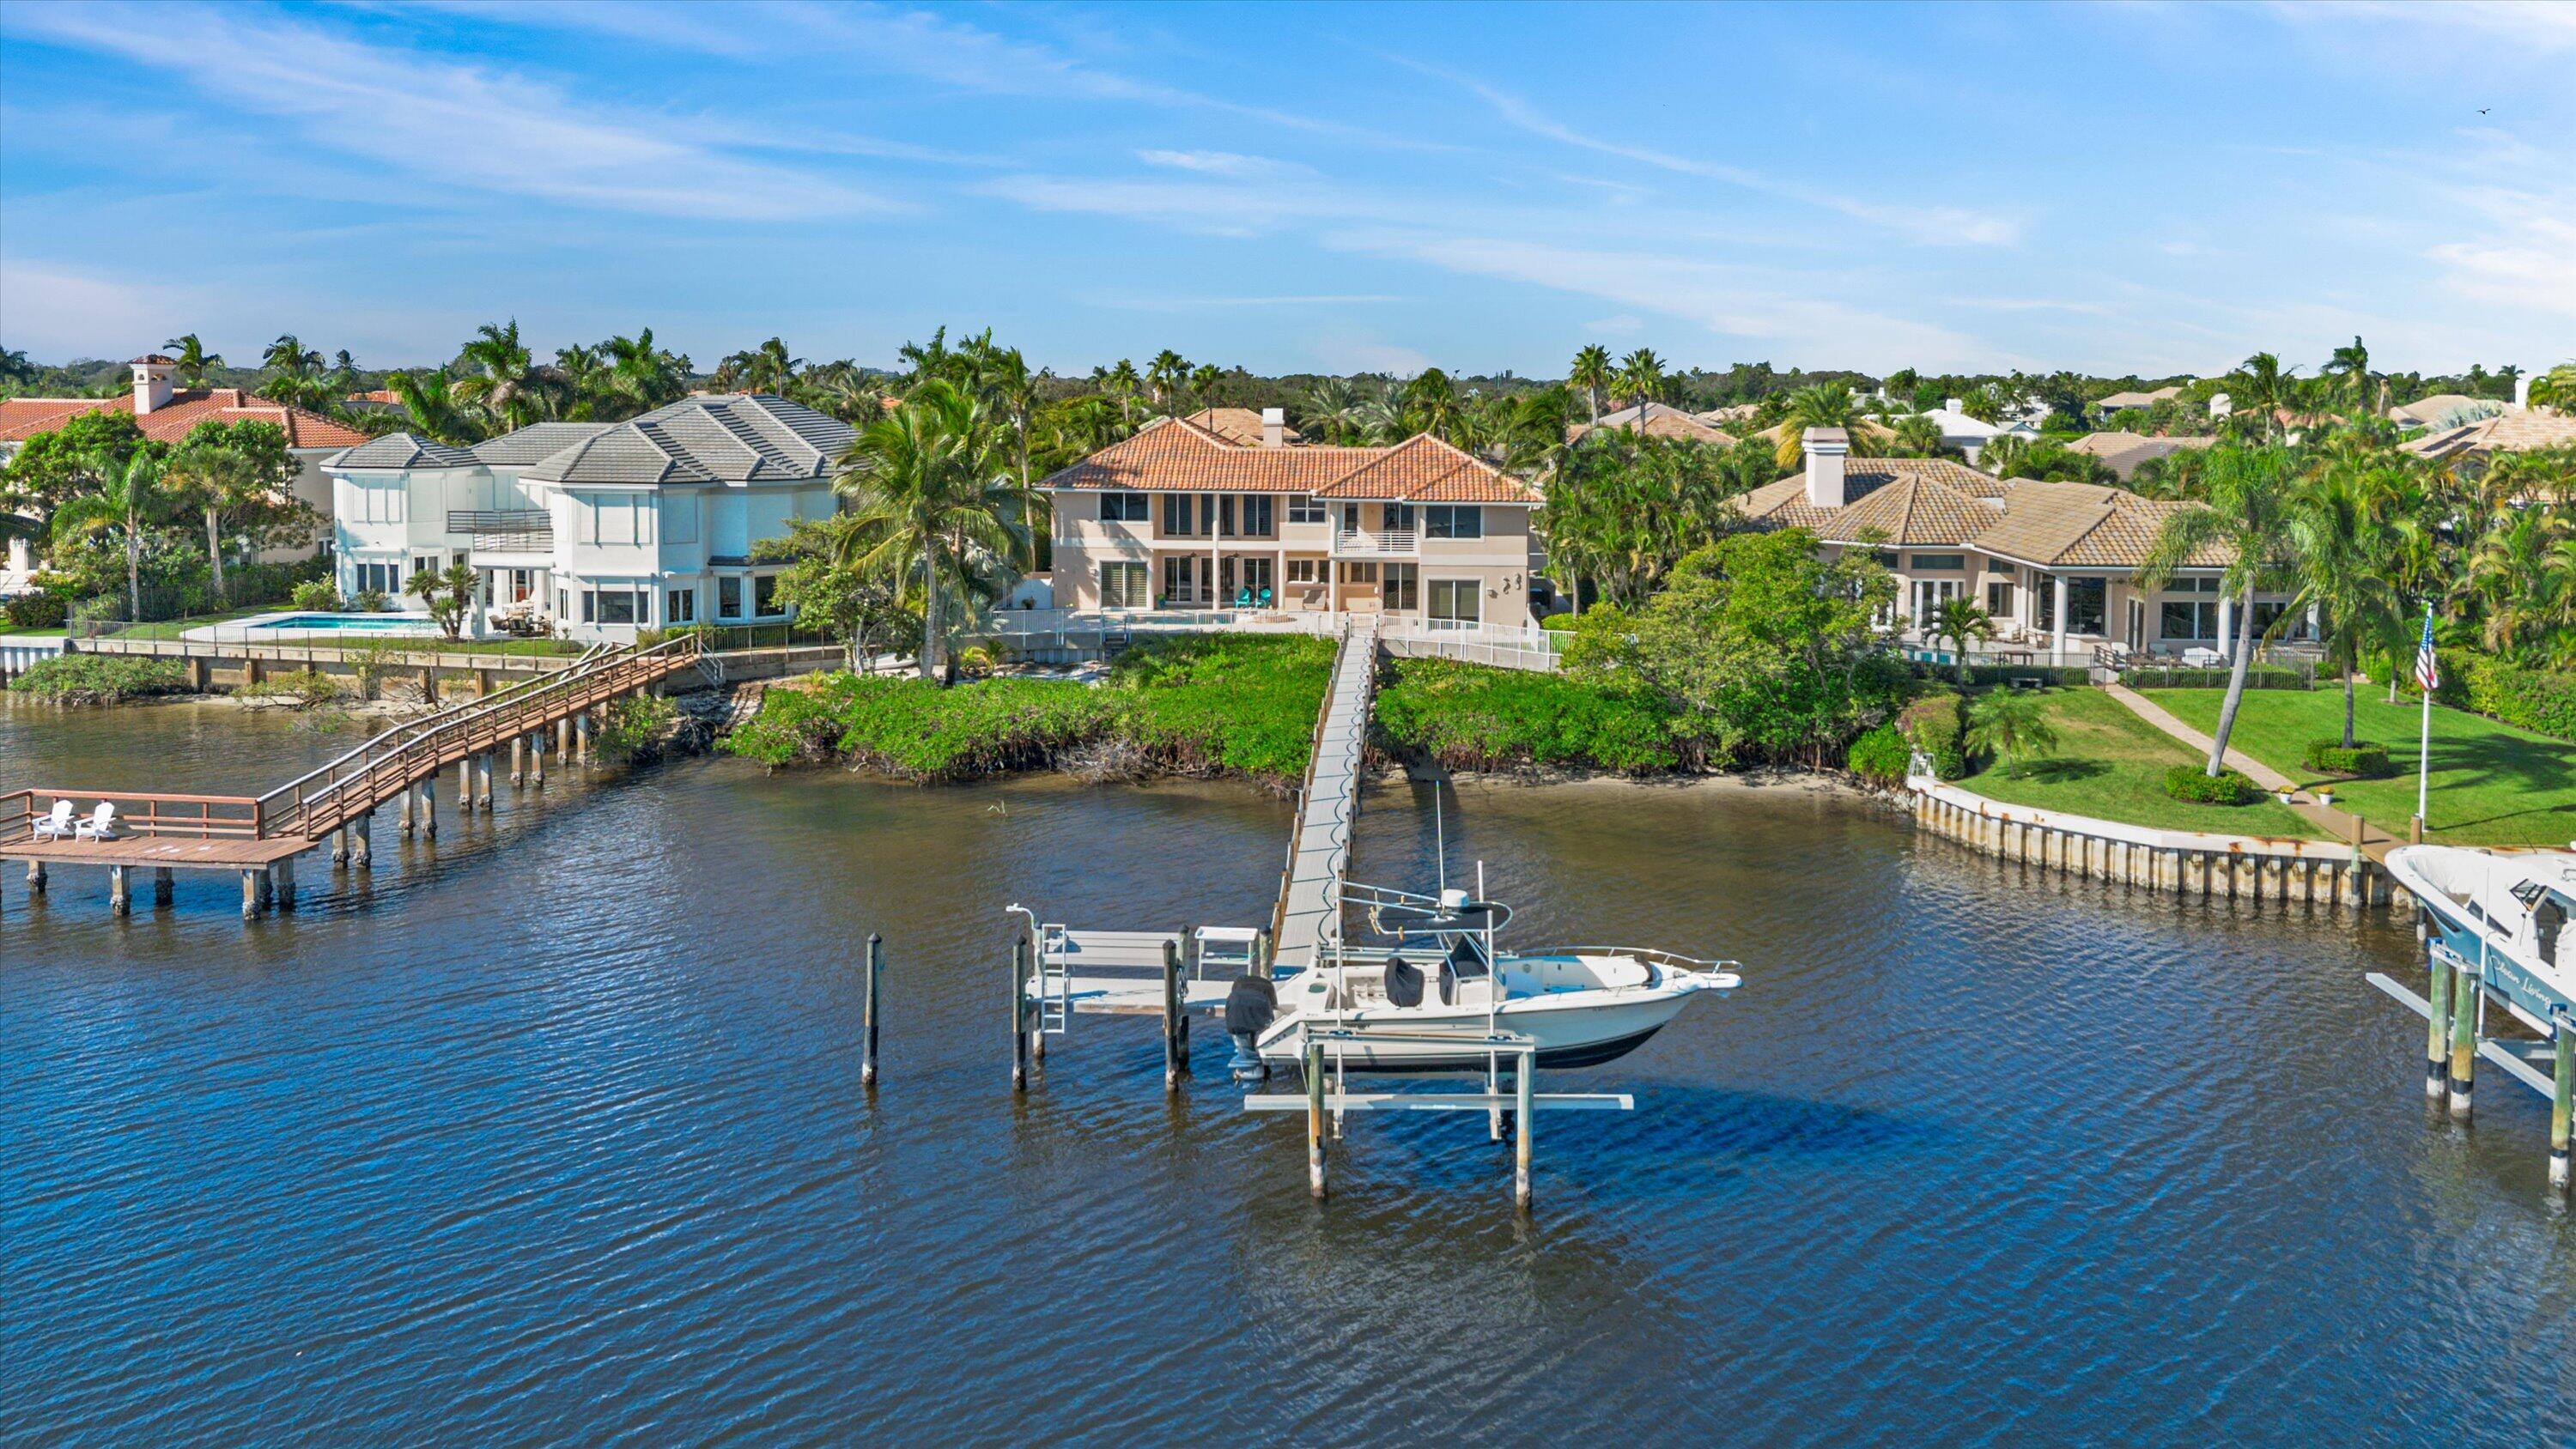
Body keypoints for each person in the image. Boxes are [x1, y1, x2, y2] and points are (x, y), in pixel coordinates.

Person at [1224, 973, 1279, 1082]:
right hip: (1257, 1020)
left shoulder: (1237, 984)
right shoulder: (1268, 986)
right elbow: (1274, 1007)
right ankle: (1265, 1073)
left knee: (1243, 1046)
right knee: (1260, 1048)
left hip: (1236, 1019)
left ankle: (1244, 1070)